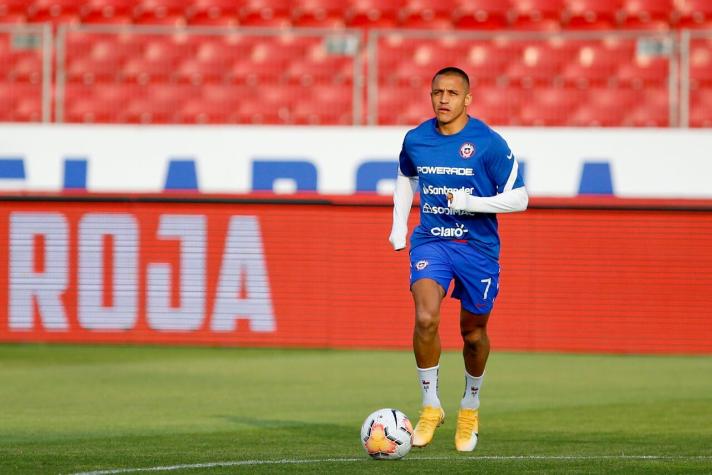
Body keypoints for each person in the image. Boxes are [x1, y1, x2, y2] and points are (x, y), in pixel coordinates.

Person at [388, 66, 528, 452]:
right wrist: (399, 225)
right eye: (437, 92)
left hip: (478, 249)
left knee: (473, 333)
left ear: (468, 99)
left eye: (452, 93)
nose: (443, 99)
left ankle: (470, 405)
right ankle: (431, 405)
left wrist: (472, 203)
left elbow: (520, 198)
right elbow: (405, 176)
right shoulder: (417, 139)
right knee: (426, 317)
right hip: (432, 240)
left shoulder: (488, 143)